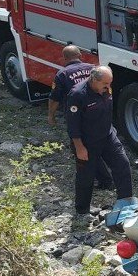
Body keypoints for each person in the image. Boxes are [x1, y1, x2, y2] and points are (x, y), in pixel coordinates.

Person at [64, 66, 133, 216]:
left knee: (123, 166)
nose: (108, 87)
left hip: (108, 136)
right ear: (94, 80)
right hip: (87, 142)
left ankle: (126, 205)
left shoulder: (106, 89)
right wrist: (79, 148)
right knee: (86, 176)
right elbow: (72, 125)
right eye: (105, 84)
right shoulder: (77, 95)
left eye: (110, 83)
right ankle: (82, 211)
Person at [47, 46, 112, 190]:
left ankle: (102, 180)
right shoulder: (94, 69)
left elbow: (54, 98)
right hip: (99, 113)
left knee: (81, 148)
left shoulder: (62, 74)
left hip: (78, 117)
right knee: (97, 146)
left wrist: (51, 116)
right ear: (80, 55)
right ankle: (105, 178)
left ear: (64, 58)